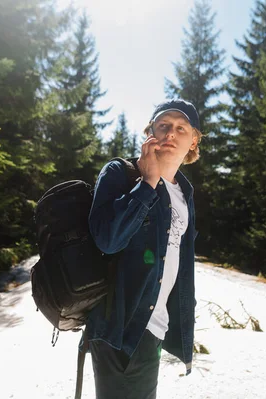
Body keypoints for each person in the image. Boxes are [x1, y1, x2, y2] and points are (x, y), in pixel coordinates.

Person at [86, 98, 202, 398]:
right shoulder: (121, 174)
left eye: (181, 128)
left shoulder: (184, 192)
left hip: (155, 328)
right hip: (122, 328)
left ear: (194, 140)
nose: (171, 134)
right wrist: (148, 183)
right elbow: (108, 240)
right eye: (163, 126)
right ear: (150, 132)